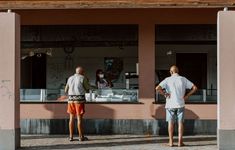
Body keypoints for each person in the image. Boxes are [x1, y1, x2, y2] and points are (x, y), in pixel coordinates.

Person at [155, 65, 197, 147]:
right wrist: (187, 96)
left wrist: (164, 93)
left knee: (171, 123)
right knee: (180, 123)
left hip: (170, 104)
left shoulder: (167, 80)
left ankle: (171, 142)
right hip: (180, 104)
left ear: (171, 72)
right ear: (178, 71)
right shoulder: (183, 79)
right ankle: (180, 142)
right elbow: (194, 88)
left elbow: (157, 88)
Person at [65, 66, 91, 142]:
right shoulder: (83, 78)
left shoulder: (70, 78)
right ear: (82, 72)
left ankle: (71, 137)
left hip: (70, 101)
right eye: (83, 72)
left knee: (71, 119)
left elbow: (65, 90)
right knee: (79, 119)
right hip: (79, 101)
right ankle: (81, 137)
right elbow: (87, 88)